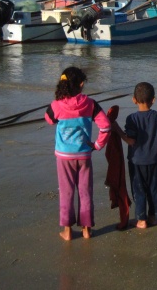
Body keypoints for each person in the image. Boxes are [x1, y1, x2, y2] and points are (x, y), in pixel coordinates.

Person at [45, 66, 111, 241]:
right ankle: (86, 230)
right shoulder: (90, 104)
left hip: (64, 156)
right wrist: (97, 145)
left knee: (66, 192)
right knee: (85, 192)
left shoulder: (56, 105)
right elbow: (105, 126)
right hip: (84, 155)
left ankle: (67, 231)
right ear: (81, 85)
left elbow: (49, 119)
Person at [122, 82, 157, 229]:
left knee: (139, 189)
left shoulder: (132, 119)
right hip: (152, 160)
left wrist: (116, 131)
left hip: (137, 161)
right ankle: (153, 217)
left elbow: (131, 140)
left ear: (134, 99)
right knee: (153, 188)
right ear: (153, 100)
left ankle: (141, 220)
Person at [104, 104, 131, 230]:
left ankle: (124, 220)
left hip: (115, 163)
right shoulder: (111, 125)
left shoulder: (111, 126)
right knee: (120, 188)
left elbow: (124, 138)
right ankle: (124, 218)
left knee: (120, 188)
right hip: (115, 161)